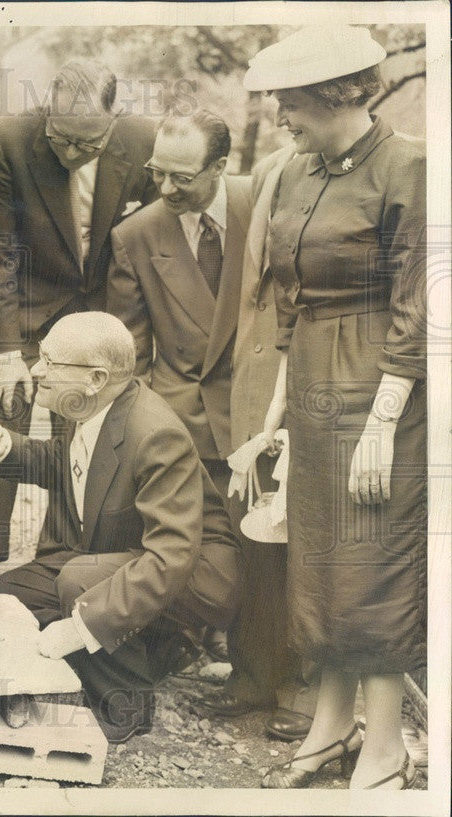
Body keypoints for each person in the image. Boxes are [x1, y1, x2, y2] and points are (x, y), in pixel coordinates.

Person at [243, 26, 426, 789]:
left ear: (336, 95)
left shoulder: (410, 167)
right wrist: (274, 417)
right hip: (314, 383)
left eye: (289, 104)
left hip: (384, 385)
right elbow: (292, 303)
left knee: (371, 562)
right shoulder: (293, 172)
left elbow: (422, 309)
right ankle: (331, 725)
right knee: (318, 561)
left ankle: (384, 745)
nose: (281, 117)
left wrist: (384, 422)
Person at [0, 312, 242, 742]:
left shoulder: (155, 435)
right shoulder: (91, 405)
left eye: (50, 362)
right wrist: (7, 446)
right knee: (13, 594)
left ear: (96, 377)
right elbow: (72, 464)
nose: (37, 370)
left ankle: (126, 705)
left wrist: (81, 628)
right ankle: (137, 657)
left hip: (195, 572)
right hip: (134, 553)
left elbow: (172, 556)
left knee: (80, 587)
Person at [0, 58, 157, 593]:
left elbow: (151, 245)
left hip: (106, 314)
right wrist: (3, 354)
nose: (70, 153)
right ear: (47, 109)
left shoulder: (147, 142)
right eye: (60, 139)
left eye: (86, 145)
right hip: (26, 310)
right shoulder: (8, 139)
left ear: (115, 121)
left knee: (90, 440)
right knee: (1, 417)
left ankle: (67, 559)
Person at [107, 110, 249, 668]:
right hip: (182, 420)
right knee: (189, 545)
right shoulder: (135, 235)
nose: (164, 189)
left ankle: (259, 669)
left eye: (182, 178)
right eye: (156, 173)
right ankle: (182, 641)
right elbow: (130, 359)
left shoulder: (260, 202)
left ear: (219, 167)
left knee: (261, 552)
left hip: (257, 413)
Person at [202, 141, 319, 743]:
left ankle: (303, 686)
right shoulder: (268, 186)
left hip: (309, 391)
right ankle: (254, 671)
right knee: (254, 541)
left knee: (298, 544)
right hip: (251, 395)